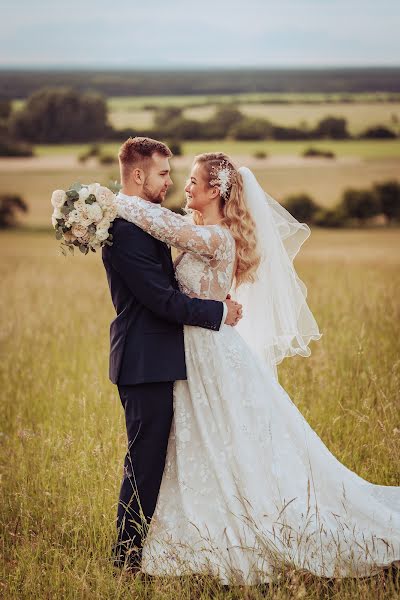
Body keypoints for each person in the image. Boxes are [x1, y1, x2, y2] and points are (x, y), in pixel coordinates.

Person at [113, 149, 400, 585]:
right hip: (191, 349)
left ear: (215, 191)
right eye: (180, 178)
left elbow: (162, 225)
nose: (183, 187)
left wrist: (106, 201)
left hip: (208, 350)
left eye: (192, 181)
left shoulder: (218, 238)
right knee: (202, 443)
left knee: (233, 442)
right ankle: (195, 534)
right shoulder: (200, 229)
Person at [102, 138, 242, 570]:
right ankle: (125, 560)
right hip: (145, 360)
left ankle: (167, 547)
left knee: (163, 462)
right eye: (164, 174)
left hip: (169, 358)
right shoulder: (125, 229)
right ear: (139, 175)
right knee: (144, 464)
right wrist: (219, 310)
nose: (171, 182)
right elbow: (161, 300)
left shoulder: (142, 221)